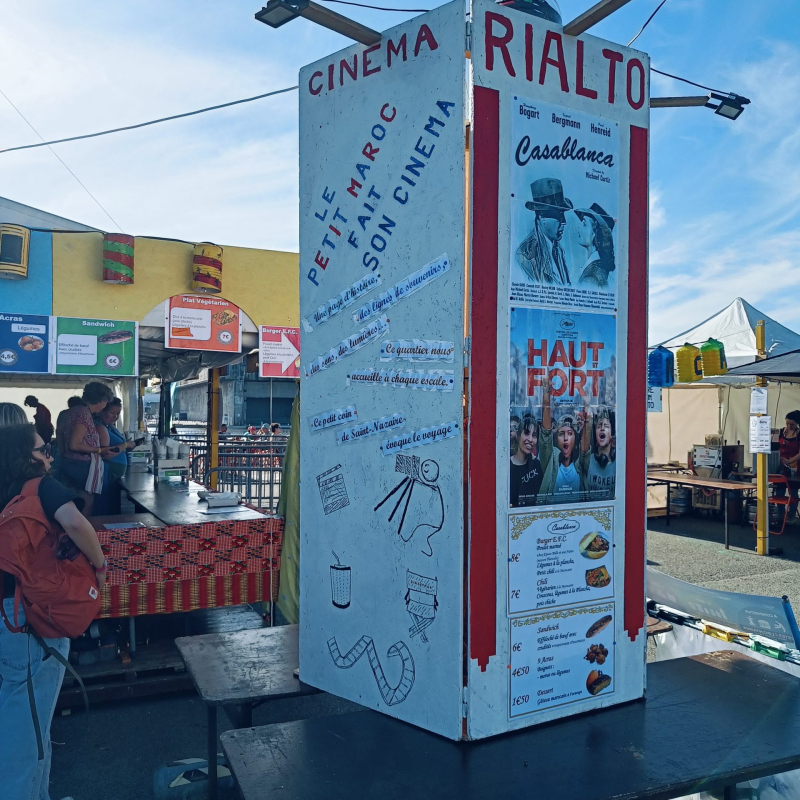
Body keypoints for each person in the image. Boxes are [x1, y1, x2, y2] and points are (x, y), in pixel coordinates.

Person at [0, 423, 107, 800]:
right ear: (25, 456)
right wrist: (100, 566)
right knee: (25, 728)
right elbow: (76, 522)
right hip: (33, 618)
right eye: (43, 449)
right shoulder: (41, 487)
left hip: (8, 616)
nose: (49, 456)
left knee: (29, 716)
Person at [59, 382, 115, 516]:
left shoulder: (73, 411)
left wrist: (63, 453)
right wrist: (99, 450)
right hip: (82, 465)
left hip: (69, 462)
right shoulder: (83, 413)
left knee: (72, 504)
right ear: (101, 400)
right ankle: (82, 528)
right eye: (106, 402)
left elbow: (60, 434)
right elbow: (75, 444)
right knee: (86, 504)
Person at [516, 177, 573, 285]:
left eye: (563, 215)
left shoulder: (558, 249)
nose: (564, 222)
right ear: (542, 217)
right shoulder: (527, 254)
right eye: (558, 216)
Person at [94, 398, 137, 515]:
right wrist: (126, 445)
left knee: (113, 505)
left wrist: (127, 446)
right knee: (106, 506)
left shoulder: (109, 427)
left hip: (114, 476)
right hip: (108, 474)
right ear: (102, 411)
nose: (115, 416)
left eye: (118, 413)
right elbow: (105, 454)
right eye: (112, 412)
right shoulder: (100, 427)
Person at [574, 203, 616, 288]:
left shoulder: (591, 276)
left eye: (584, 223)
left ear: (595, 233)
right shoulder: (597, 267)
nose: (578, 226)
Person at [580, 405, 616, 501]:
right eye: (599, 426)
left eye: (606, 426)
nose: (602, 428)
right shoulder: (589, 461)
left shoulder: (617, 463)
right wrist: (587, 422)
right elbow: (584, 451)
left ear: (611, 435)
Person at [509, 414, 545, 507]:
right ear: (518, 435)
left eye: (534, 435)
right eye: (526, 433)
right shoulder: (508, 467)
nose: (530, 439)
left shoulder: (537, 465)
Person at [776, 411, 800, 518]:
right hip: (781, 466)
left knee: (793, 492)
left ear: (798, 423)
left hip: (795, 466)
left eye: (792, 424)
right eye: (787, 424)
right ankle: (781, 515)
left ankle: (791, 516)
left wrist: (790, 461)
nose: (789, 426)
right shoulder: (782, 431)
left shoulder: (799, 434)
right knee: (779, 491)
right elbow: (776, 446)